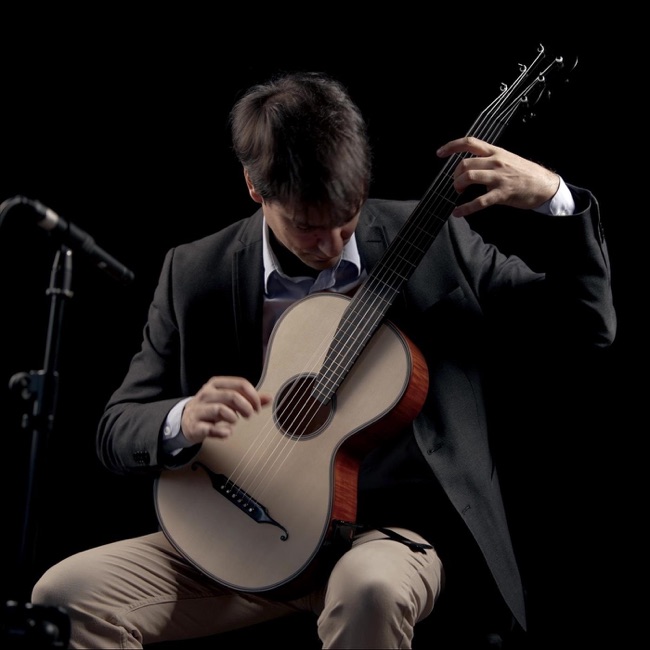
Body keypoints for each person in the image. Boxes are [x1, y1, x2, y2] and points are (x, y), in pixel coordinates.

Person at [30, 70, 616, 649]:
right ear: (255, 188)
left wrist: (556, 200)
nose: (333, 246)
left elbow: (586, 326)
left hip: (385, 536)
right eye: (308, 228)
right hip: (241, 529)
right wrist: (182, 417)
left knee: (369, 591)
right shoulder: (195, 271)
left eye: (348, 216)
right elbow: (117, 427)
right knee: (64, 594)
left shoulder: (437, 240)